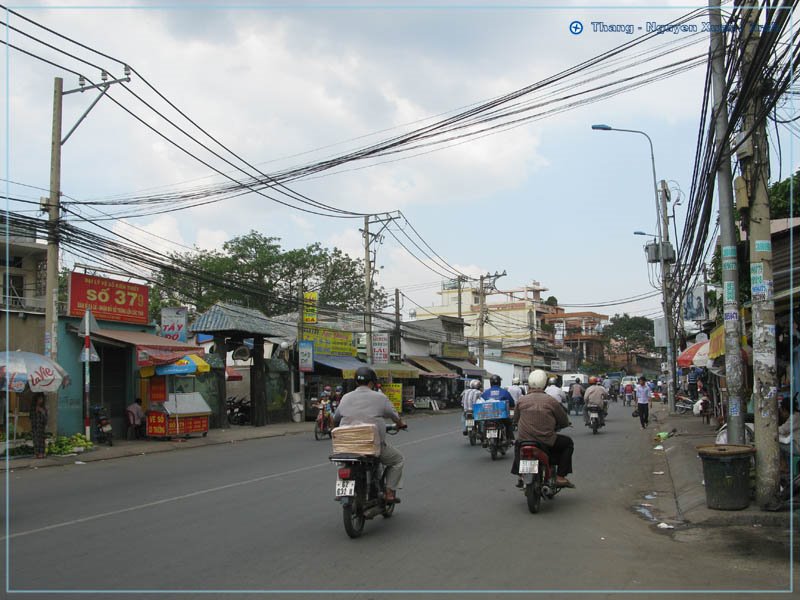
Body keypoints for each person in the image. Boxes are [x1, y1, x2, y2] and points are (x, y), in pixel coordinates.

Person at [333, 366, 406, 503]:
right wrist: (400, 424)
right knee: (398, 460)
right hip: (371, 447)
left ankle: (341, 490)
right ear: (372, 383)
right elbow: (394, 415)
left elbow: (336, 418)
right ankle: (389, 492)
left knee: (344, 463)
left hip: (348, 446)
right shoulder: (380, 397)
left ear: (356, 382)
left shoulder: (345, 398)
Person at [512, 369, 574, 489]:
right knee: (568, 443)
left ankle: (520, 475)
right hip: (546, 440)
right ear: (545, 385)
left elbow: (515, 418)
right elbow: (563, 420)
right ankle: (560, 476)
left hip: (525, 440)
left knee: (517, 444)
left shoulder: (521, 400)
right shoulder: (551, 401)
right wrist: (565, 423)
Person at [480, 374, 516, 442]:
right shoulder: (505, 392)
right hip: (501, 416)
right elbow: (512, 403)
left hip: (488, 416)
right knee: (508, 423)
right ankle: (510, 438)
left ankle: (484, 438)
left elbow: (481, 402)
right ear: (499, 382)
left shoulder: (485, 392)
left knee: (484, 424)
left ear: (491, 383)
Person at [30, 393, 48, 459]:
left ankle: (42, 453)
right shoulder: (32, 407)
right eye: (39, 399)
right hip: (35, 426)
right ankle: (37, 453)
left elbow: (46, 419)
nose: (40, 400)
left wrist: (42, 412)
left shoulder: (44, 408)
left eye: (41, 399)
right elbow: (30, 417)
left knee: (41, 440)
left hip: (41, 426)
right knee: (35, 440)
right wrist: (35, 411)